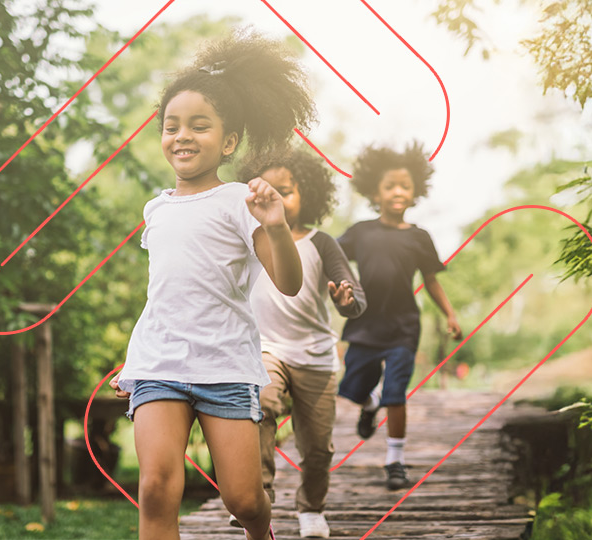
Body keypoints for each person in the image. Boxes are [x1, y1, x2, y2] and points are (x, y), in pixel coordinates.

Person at [108, 28, 315, 540]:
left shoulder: (240, 201)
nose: (182, 136)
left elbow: (289, 282)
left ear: (227, 141)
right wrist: (135, 363)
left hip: (223, 364)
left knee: (243, 498)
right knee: (156, 488)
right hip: (160, 363)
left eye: (199, 126)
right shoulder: (155, 209)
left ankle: (259, 532)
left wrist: (275, 224)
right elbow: (164, 295)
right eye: (171, 125)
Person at [223, 148, 365, 538]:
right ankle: (259, 495)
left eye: (286, 191)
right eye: (268, 191)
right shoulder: (249, 241)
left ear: (308, 194)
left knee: (317, 448)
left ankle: (311, 508)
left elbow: (353, 293)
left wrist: (346, 299)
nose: (277, 200)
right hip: (266, 350)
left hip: (315, 357)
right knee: (262, 405)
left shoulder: (322, 243)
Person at [336, 142, 463, 491]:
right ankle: (369, 402)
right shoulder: (360, 232)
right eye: (390, 185)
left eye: (404, 186)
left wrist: (450, 315)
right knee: (353, 387)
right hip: (364, 325)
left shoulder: (420, 238)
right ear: (375, 191)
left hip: (403, 329)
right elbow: (329, 257)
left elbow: (432, 282)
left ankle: (395, 461)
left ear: (415, 192)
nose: (397, 192)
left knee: (396, 392)